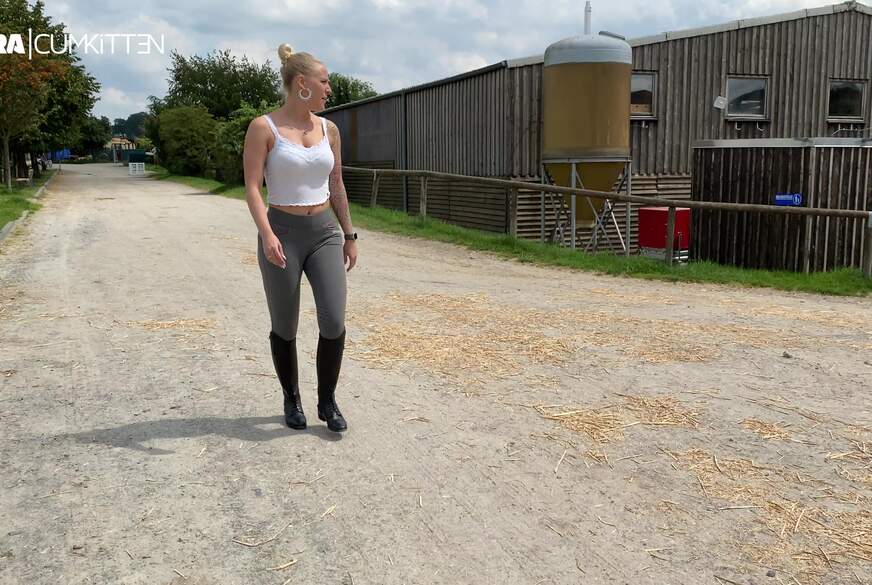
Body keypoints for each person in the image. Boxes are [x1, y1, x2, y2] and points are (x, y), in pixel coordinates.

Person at [243, 43, 358, 433]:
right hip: (282, 233)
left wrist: (349, 233)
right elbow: (252, 187)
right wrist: (267, 233)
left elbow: (336, 182)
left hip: (324, 231)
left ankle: (327, 401)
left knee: (334, 319)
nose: (329, 89)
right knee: (285, 323)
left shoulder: (329, 130)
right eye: (324, 81)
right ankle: (291, 399)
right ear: (301, 83)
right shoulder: (264, 128)